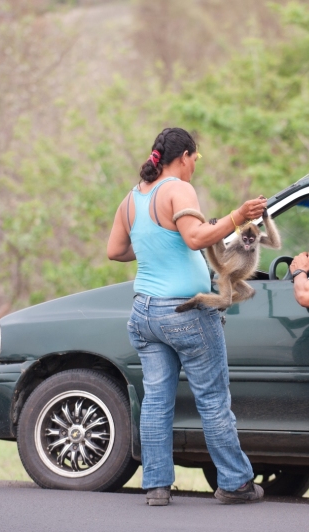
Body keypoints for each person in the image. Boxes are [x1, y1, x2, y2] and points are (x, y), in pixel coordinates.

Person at [107, 127, 267, 506]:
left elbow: (115, 250)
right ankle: (235, 483)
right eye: (196, 158)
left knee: (157, 401)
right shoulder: (178, 188)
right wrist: (239, 215)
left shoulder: (132, 199)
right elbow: (197, 238)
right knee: (212, 399)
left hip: (144, 312)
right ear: (184, 157)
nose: (196, 165)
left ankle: (157, 486)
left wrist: (155, 244)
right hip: (185, 313)